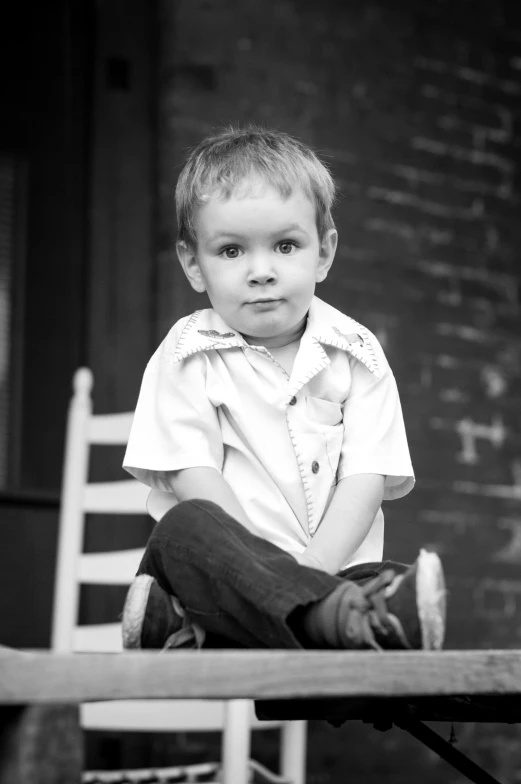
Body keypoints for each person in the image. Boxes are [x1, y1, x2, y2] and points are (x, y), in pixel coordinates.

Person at [121, 125, 446, 654]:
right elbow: (192, 474)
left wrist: (309, 576)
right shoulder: (186, 353)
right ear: (191, 263)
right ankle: (335, 623)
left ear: (323, 252)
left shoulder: (356, 353)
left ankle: (203, 630)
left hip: (335, 570)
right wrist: (263, 572)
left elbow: (363, 481)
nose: (261, 271)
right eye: (230, 251)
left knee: (388, 574)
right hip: (219, 575)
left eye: (286, 245)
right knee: (184, 529)